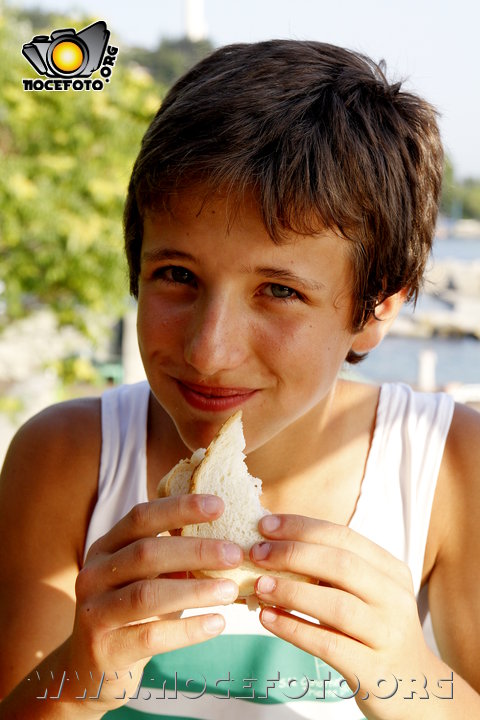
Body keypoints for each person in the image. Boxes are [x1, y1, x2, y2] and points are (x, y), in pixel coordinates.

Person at [0, 39, 479, 720]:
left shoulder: (449, 469)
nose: (209, 350)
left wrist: (407, 674)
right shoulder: (66, 458)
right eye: (177, 276)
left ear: (375, 310)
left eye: (279, 290)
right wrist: (76, 684)